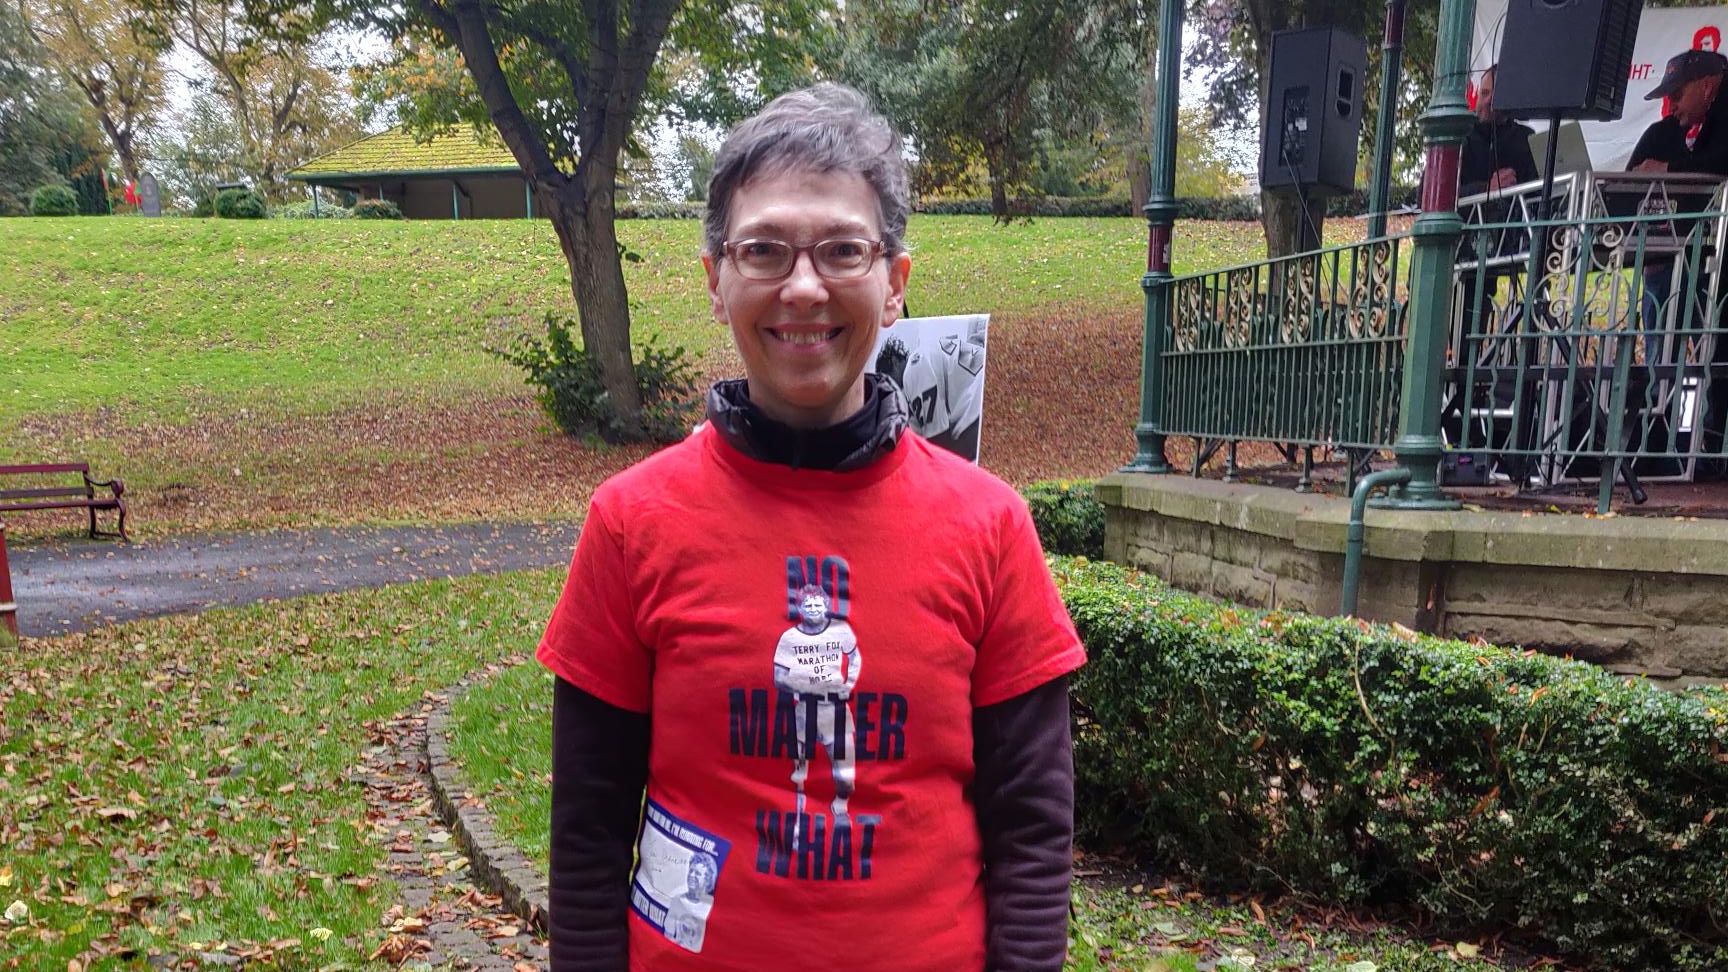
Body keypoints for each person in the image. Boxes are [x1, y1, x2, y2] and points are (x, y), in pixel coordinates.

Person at [537, 82, 1087, 972]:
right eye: (764, 250)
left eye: (841, 249)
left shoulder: (990, 526)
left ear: (894, 282)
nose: (802, 286)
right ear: (716, 280)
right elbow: (589, 836)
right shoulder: (632, 523)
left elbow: (1032, 835)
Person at [1632, 49, 1728, 474]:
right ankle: (1660, 443)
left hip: (1716, 261)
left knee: (1719, 350)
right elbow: (1628, 182)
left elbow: (1719, 166)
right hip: (1669, 260)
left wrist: (1669, 168)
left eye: (1679, 93)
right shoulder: (1662, 131)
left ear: (1708, 85)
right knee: (1663, 353)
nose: (1672, 104)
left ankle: (1710, 449)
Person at [773, 585, 860, 830]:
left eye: (817, 604)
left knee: (846, 778)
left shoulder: (840, 630)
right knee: (798, 775)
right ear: (799, 608)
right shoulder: (790, 638)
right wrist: (808, 687)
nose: (813, 609)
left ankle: (840, 805)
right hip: (804, 710)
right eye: (807, 605)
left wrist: (849, 683)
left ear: (826, 605)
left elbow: (855, 656)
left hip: (836, 711)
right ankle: (799, 816)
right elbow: (778, 677)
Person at [1459, 65, 1539, 198]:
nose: (1488, 101)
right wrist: (1487, 189)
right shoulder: (1459, 133)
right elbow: (1428, 195)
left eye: (1496, 95)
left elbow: (1538, 195)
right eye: (1484, 93)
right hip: (1464, 218)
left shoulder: (1525, 138)